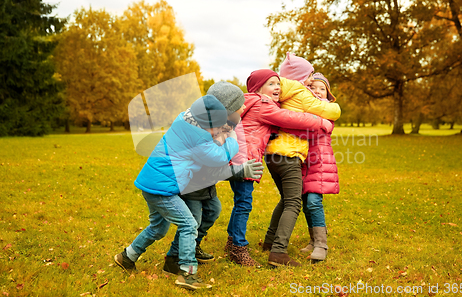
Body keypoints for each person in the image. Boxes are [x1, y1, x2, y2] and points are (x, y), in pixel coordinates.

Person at [114, 95, 238, 290]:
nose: (216, 131)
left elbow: (208, 138)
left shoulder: (184, 120)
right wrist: (232, 138)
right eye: (216, 127)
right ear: (206, 124)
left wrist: (217, 130)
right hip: (163, 189)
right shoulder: (198, 139)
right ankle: (187, 274)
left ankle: (126, 257)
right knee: (189, 225)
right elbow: (220, 157)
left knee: (158, 228)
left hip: (152, 184)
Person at [226, 69, 334, 267]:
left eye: (278, 83)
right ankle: (277, 252)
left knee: (277, 199)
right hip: (278, 157)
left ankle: (260, 242)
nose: (278, 87)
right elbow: (292, 118)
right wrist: (322, 122)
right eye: (272, 84)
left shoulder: (251, 101)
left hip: (265, 157)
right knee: (292, 202)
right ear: (259, 88)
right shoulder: (264, 103)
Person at [163, 82, 264, 274]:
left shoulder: (223, 125)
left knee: (213, 210)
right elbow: (213, 163)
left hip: (205, 184)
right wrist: (239, 170)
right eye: (240, 105)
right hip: (192, 184)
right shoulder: (205, 131)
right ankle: (174, 258)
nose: (244, 107)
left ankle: (194, 245)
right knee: (193, 221)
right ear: (227, 109)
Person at [262, 53, 341, 267]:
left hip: (272, 154)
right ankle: (279, 252)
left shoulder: (278, 93)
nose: (311, 84)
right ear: (301, 76)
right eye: (309, 78)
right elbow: (330, 110)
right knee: (294, 202)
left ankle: (270, 242)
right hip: (290, 154)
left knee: (287, 198)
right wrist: (331, 111)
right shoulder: (299, 92)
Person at [289, 73, 339, 262]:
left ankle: (321, 244)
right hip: (302, 160)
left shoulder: (327, 112)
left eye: (322, 89)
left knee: (313, 201)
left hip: (319, 161)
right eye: (314, 88)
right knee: (305, 202)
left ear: (328, 94)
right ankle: (313, 240)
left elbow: (311, 127)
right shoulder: (305, 108)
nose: (318, 91)